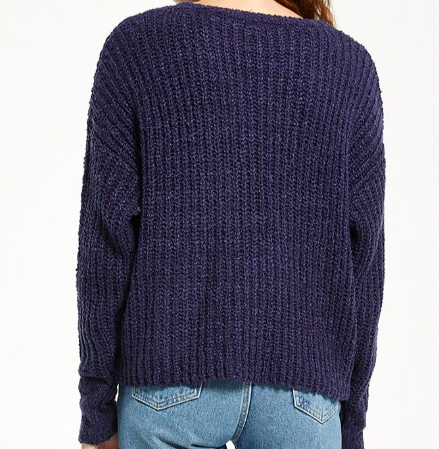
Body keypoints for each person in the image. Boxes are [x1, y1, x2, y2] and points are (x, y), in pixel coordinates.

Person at [75, 1, 386, 448]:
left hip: (167, 380)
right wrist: (351, 421)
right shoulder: (350, 68)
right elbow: (365, 266)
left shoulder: (138, 46)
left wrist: (97, 409)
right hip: (305, 399)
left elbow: (105, 246)